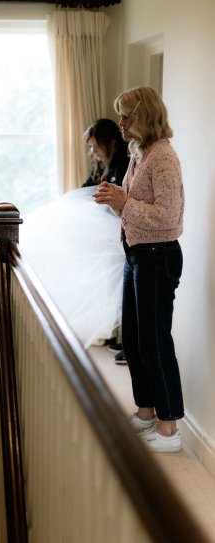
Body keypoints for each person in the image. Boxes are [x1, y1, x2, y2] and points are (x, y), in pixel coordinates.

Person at [94, 86, 184, 453]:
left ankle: (169, 429)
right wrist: (116, 200)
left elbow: (169, 217)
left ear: (144, 116)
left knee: (155, 342)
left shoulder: (163, 156)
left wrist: (123, 200)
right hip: (137, 253)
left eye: (127, 115)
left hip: (158, 255)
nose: (121, 122)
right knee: (133, 340)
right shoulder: (139, 152)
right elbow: (137, 205)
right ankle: (146, 412)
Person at [82, 118, 129, 361]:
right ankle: (114, 333)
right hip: (107, 237)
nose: (93, 152)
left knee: (122, 287)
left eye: (95, 146)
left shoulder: (123, 164)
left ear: (110, 143)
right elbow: (86, 189)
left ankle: (126, 341)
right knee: (112, 285)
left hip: (121, 236)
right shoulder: (102, 167)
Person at [82, 118, 129, 188]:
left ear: (112, 143)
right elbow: (86, 187)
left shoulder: (127, 163)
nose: (93, 151)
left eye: (97, 146)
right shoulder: (101, 162)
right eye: (90, 146)